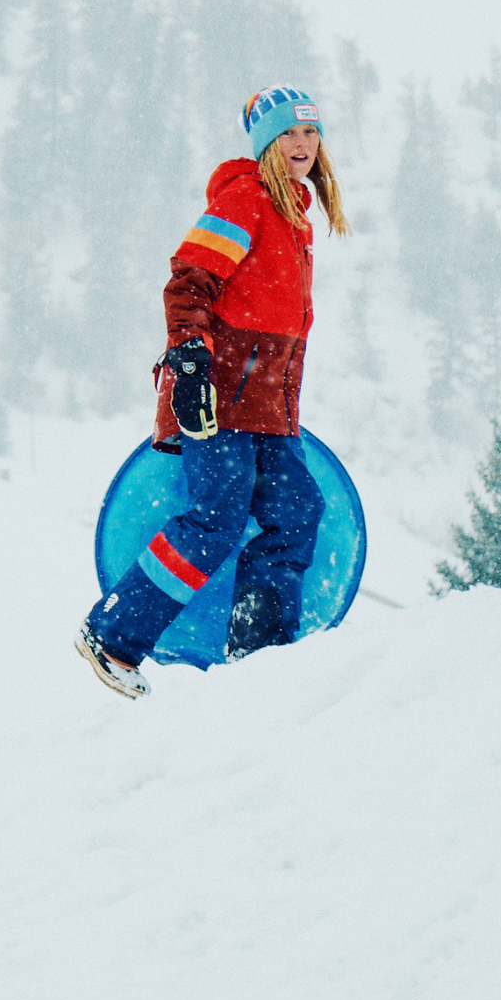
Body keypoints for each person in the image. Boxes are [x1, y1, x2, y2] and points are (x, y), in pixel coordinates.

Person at [76, 85, 351, 698]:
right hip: (221, 398)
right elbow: (189, 282)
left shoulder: (296, 217)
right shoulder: (246, 200)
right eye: (288, 135)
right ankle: (112, 636)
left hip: (268, 408)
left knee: (296, 512)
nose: (302, 145)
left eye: (310, 133)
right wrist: (192, 363)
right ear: (265, 145)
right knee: (216, 519)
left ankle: (262, 660)